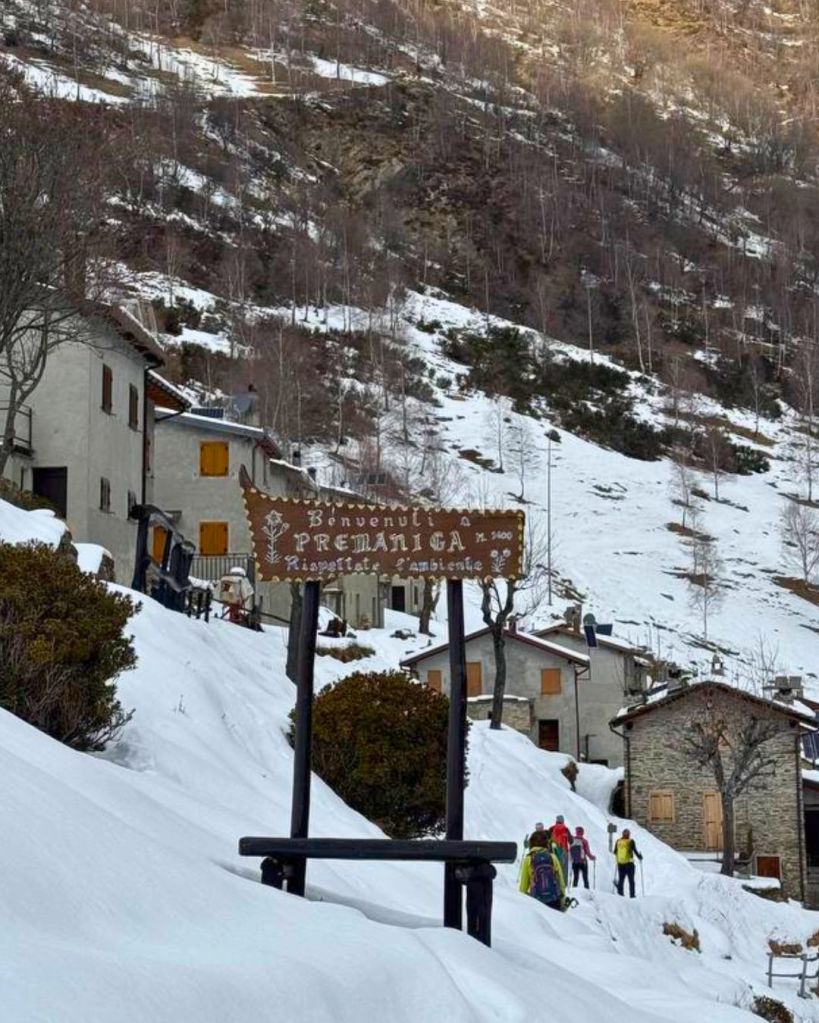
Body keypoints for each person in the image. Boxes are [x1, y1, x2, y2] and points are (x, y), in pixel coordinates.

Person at [519, 830, 565, 911]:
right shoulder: (552, 857)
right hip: (554, 900)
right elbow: (561, 881)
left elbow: (523, 886)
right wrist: (562, 900)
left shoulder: (528, 859)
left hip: (536, 902)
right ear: (546, 843)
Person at [614, 828, 643, 897]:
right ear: (629, 835)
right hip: (629, 864)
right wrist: (640, 857)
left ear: (622, 834)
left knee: (621, 880)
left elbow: (615, 852)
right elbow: (635, 851)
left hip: (620, 864)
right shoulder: (631, 841)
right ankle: (632, 896)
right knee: (631, 881)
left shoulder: (618, 841)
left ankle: (620, 894)